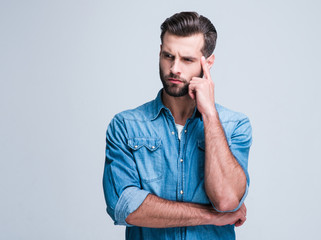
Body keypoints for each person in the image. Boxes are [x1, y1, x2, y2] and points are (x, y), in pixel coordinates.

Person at [103, 11, 252, 240]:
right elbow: (125, 207)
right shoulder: (125, 126)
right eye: (168, 56)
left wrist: (210, 114)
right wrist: (211, 216)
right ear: (159, 53)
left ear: (208, 64)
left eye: (187, 60)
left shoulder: (235, 126)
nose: (174, 68)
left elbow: (227, 200)